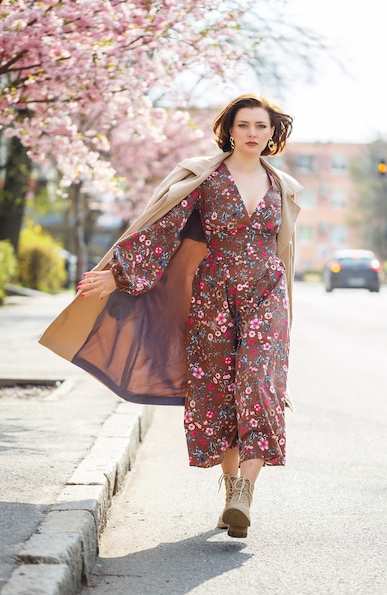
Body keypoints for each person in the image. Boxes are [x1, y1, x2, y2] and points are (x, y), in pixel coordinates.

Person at [40, 94, 302, 538]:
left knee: (257, 381)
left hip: (267, 292)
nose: (253, 133)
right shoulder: (204, 177)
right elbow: (161, 229)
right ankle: (229, 495)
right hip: (214, 292)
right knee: (220, 389)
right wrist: (118, 274)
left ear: (274, 132)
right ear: (230, 130)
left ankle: (244, 493)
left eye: (262, 126)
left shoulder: (283, 187)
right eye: (244, 125)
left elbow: (285, 249)